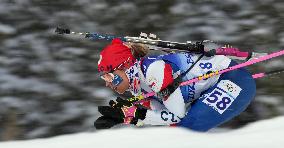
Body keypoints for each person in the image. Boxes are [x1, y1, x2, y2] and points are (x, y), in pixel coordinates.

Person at [95, 38, 256, 131]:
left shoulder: (153, 71)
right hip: (217, 84)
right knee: (178, 131)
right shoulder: (139, 88)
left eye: (110, 77)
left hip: (233, 79)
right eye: (105, 79)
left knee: (186, 130)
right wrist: (127, 117)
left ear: (126, 66)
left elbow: (176, 115)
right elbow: (167, 118)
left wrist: (130, 116)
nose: (108, 84)